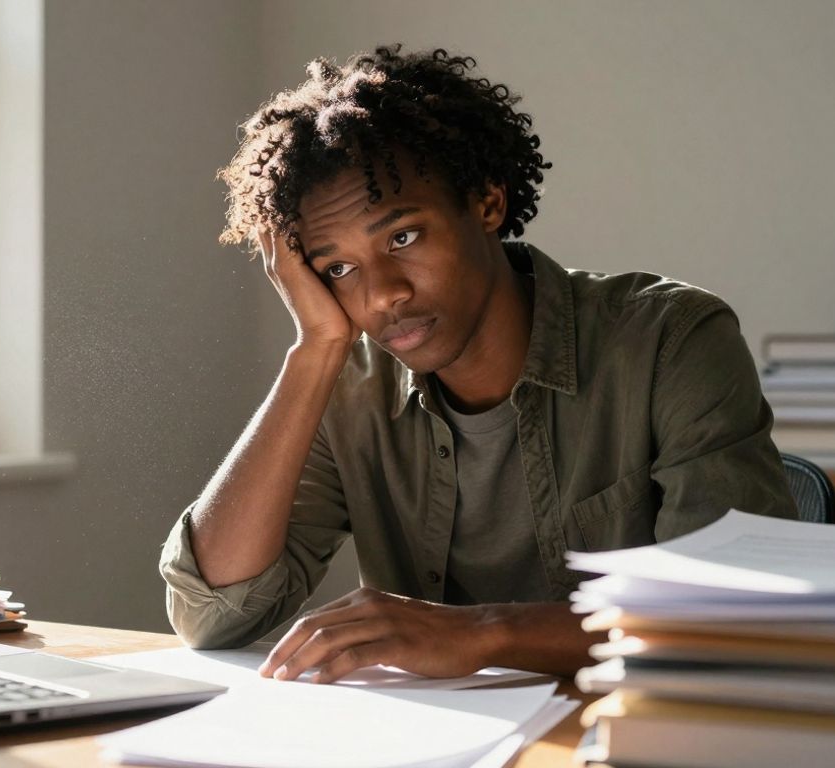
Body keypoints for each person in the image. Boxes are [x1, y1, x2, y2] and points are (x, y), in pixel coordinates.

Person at [159, 45, 797, 683]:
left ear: (487, 203)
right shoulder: (347, 389)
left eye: (402, 237)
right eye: (339, 268)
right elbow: (212, 614)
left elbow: (730, 617)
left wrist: (484, 633)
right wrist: (314, 350)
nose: (383, 294)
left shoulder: (672, 341)